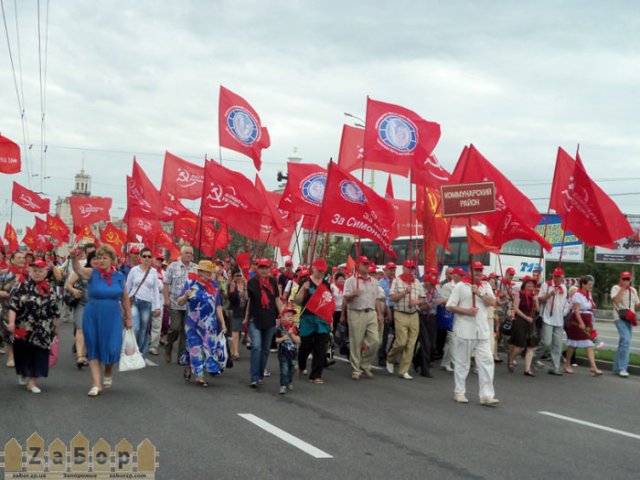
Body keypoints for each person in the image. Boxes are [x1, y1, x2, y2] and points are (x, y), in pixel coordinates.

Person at [70, 245, 133, 397]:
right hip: (93, 315)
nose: (101, 260)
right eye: (99, 258)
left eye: (105, 258)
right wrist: (74, 258)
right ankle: (96, 384)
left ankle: (108, 371)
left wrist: (129, 317)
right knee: (94, 347)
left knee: (113, 349)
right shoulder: (92, 272)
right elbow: (78, 269)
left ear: (112, 260)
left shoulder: (119, 276)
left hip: (113, 316)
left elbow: (125, 298)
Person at [446, 261, 499, 406]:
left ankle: (487, 395)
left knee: (487, 362)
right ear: (470, 270)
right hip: (464, 330)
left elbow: (493, 302)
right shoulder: (460, 286)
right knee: (463, 363)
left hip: (482, 331)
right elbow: (449, 306)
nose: (478, 272)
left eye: (480, 270)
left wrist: (479, 293)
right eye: (476, 270)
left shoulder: (486, 285)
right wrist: (466, 311)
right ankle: (459, 392)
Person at [6, 259, 60, 393]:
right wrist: (12, 323)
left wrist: (55, 327)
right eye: (34, 270)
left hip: (43, 329)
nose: (37, 273)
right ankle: (24, 372)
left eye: (40, 271)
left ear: (46, 272)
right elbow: (13, 306)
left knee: (40, 354)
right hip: (24, 328)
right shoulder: (21, 287)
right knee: (23, 353)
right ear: (29, 271)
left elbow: (55, 311)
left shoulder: (50, 289)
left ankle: (32, 382)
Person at [176, 260, 227, 387]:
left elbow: (218, 306)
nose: (210, 274)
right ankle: (199, 375)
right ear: (200, 272)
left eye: (211, 272)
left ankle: (189, 365)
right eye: (207, 272)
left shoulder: (214, 286)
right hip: (193, 323)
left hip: (210, 324)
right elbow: (179, 302)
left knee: (208, 348)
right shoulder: (190, 283)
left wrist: (223, 323)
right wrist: (185, 297)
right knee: (195, 347)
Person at [246, 257, 283, 388]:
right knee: (256, 346)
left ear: (269, 269)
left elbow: (277, 300)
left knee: (266, 349)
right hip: (255, 319)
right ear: (257, 268)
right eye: (261, 267)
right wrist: (246, 317)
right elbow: (248, 301)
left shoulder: (273, 282)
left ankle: (260, 374)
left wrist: (284, 315)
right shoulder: (251, 282)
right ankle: (254, 377)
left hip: (269, 319)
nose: (263, 270)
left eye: (266, 268)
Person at [343, 256, 382, 381]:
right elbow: (346, 298)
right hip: (356, 312)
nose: (367, 266)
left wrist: (380, 314)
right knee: (356, 341)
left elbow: (377, 299)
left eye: (367, 264)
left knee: (375, 340)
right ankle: (356, 369)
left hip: (371, 312)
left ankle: (365, 363)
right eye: (364, 264)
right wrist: (353, 294)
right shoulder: (350, 281)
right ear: (358, 265)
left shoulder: (374, 281)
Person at [386, 260, 425, 380]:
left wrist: (416, 302)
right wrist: (404, 292)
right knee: (401, 341)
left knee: (411, 343)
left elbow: (422, 298)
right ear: (403, 268)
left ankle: (404, 370)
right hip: (400, 313)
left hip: (414, 314)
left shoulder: (417, 282)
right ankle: (390, 357)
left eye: (413, 268)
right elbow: (392, 298)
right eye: (409, 267)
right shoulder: (397, 281)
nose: (411, 270)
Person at [295, 258, 332, 384]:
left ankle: (316, 375)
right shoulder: (305, 281)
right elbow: (297, 301)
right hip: (307, 318)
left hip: (321, 319)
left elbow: (328, 301)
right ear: (314, 268)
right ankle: (301, 365)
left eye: (323, 270)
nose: (321, 272)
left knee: (320, 347)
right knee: (306, 345)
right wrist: (303, 289)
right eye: (319, 270)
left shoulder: (326, 284)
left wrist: (329, 318)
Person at [126, 247, 162, 357]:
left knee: (143, 330)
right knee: (135, 327)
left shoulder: (154, 272)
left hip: (147, 304)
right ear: (140, 258)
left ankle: (139, 352)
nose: (147, 258)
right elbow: (127, 287)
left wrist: (157, 307)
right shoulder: (134, 270)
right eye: (144, 256)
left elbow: (156, 290)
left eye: (149, 256)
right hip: (135, 301)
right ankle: (130, 350)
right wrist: (124, 303)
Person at [163, 245, 196, 364]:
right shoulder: (172, 266)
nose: (189, 255)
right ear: (181, 254)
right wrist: (166, 299)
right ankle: (169, 345)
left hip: (189, 305)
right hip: (175, 302)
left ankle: (181, 357)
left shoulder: (195, 268)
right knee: (175, 328)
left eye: (191, 253)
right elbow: (166, 284)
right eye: (186, 252)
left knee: (185, 331)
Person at [65, 251, 98, 368]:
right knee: (80, 329)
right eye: (93, 259)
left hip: (97, 306)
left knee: (92, 331)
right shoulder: (83, 270)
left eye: (98, 259)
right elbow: (68, 284)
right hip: (82, 304)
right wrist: (74, 291)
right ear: (89, 260)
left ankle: (86, 353)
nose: (96, 261)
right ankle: (80, 356)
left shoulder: (104, 273)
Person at [564, 275, 602, 376]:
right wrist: (581, 322)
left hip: (587, 321)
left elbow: (590, 308)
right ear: (583, 284)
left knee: (589, 344)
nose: (591, 286)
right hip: (577, 321)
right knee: (573, 344)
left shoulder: (588, 294)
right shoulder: (577, 295)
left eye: (591, 284)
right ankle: (567, 364)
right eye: (589, 284)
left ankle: (593, 367)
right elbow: (576, 310)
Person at [538, 267, 568, 376]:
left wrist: (564, 312)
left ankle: (555, 367)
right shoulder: (546, 285)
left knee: (557, 345)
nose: (556, 278)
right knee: (546, 342)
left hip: (559, 320)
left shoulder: (564, 287)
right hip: (547, 317)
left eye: (559, 276)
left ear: (563, 277)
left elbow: (563, 302)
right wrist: (549, 294)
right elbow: (539, 299)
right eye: (555, 276)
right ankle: (533, 358)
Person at [0, 251, 28, 368]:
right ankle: (11, 356)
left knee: (24, 332)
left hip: (25, 310)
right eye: (18, 258)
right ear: (12, 260)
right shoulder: (5, 275)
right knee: (9, 333)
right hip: (8, 308)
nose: (22, 260)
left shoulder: (28, 275)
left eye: (23, 258)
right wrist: (4, 294)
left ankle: (22, 356)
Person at [508, 276, 539, 376]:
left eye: (532, 283)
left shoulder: (533, 295)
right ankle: (511, 359)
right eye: (528, 283)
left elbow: (537, 310)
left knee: (531, 346)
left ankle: (527, 369)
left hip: (531, 320)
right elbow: (516, 309)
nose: (531, 285)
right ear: (524, 284)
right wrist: (526, 317)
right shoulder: (519, 294)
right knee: (520, 346)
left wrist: (536, 300)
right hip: (521, 319)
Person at [611, 271, 639, 378]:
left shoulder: (633, 290)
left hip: (629, 317)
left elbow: (636, 307)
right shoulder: (615, 288)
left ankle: (616, 367)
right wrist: (623, 288)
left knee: (623, 342)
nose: (626, 281)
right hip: (619, 317)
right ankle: (623, 368)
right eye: (624, 279)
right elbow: (616, 301)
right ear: (620, 279)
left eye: (628, 279)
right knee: (626, 340)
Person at [439, 267, 464, 371]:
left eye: (463, 275)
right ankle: (456, 363)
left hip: (460, 316)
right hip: (450, 316)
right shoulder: (447, 286)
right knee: (453, 340)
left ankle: (446, 362)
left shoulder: (463, 286)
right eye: (460, 275)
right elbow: (444, 300)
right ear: (454, 276)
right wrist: (455, 301)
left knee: (453, 341)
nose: (462, 277)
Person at [275, 307, 301, 394]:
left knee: (292, 368)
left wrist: (292, 335)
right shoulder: (280, 328)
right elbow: (276, 340)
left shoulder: (295, 328)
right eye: (288, 315)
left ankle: (289, 381)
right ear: (283, 317)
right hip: (283, 353)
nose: (290, 317)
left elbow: (298, 340)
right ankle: (283, 385)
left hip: (293, 353)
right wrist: (283, 338)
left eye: (292, 316)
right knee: (284, 369)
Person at [228, 266, 248, 360]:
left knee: (239, 332)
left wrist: (245, 288)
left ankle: (232, 350)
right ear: (233, 276)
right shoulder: (231, 285)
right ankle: (236, 352)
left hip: (244, 311)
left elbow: (247, 298)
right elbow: (231, 300)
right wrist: (232, 290)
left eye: (240, 275)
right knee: (235, 330)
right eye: (237, 275)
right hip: (235, 310)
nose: (239, 277)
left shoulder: (245, 284)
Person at [148, 250, 166, 355]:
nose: (159, 261)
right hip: (146, 301)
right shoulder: (146, 270)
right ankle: (138, 344)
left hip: (159, 302)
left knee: (156, 325)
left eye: (161, 260)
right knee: (142, 325)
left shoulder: (164, 273)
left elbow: (165, 287)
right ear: (152, 259)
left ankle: (153, 346)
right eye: (157, 259)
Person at [378, 262, 396, 365]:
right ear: (385, 270)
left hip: (396, 309)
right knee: (384, 335)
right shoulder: (381, 282)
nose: (392, 272)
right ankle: (381, 357)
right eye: (390, 270)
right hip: (385, 310)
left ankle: (390, 354)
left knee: (398, 334)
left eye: (394, 270)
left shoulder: (396, 281)